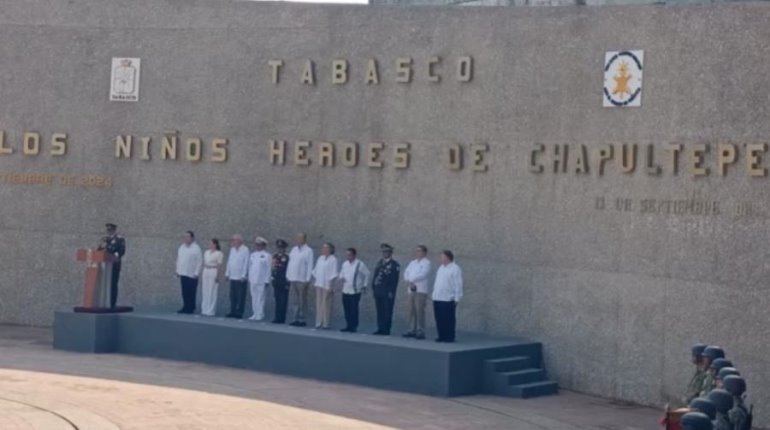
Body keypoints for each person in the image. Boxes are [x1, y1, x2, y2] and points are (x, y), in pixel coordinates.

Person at [432, 250, 463, 343]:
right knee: (439, 318)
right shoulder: (441, 268)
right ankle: (441, 335)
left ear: (448, 257)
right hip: (437, 297)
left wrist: (457, 298)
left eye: (442, 257)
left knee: (448, 319)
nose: (441, 259)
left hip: (448, 298)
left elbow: (458, 284)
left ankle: (449, 336)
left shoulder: (455, 268)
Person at [402, 245, 432, 340]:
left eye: (419, 251)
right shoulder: (412, 262)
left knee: (419, 310)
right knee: (411, 310)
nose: (417, 253)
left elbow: (423, 274)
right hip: (411, 288)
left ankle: (420, 330)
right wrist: (408, 281)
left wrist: (412, 280)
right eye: (416, 251)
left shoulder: (427, 263)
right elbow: (406, 272)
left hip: (420, 290)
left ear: (424, 252)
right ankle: (411, 330)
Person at [371, 243, 400, 335]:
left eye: (387, 252)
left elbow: (394, 280)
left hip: (387, 292)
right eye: (383, 252)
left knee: (387, 311)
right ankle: (380, 328)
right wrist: (374, 288)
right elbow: (375, 276)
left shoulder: (394, 265)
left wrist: (391, 291)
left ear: (391, 253)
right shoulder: (379, 263)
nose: (385, 253)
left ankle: (386, 329)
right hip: (378, 291)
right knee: (380, 311)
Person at [339, 248, 370, 333]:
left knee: (354, 309)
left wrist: (364, 285)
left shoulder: (360, 264)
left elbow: (367, 274)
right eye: (347, 255)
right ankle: (348, 325)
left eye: (349, 255)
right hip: (345, 289)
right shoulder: (345, 264)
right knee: (347, 309)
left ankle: (354, 326)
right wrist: (341, 278)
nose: (348, 257)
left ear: (354, 255)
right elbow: (341, 273)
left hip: (355, 290)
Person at [287, 233, 314, 327]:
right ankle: (295, 318)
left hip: (302, 279)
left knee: (302, 300)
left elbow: (310, 265)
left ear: (304, 239)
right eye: (297, 238)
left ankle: (302, 319)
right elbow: (290, 263)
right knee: (295, 300)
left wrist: (308, 279)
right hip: (293, 278)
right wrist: (288, 275)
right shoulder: (294, 249)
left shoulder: (308, 251)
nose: (298, 240)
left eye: (300, 238)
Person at [98, 223, 126, 308]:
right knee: (103, 284)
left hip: (114, 265)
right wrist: (101, 247)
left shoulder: (119, 240)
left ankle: (112, 303)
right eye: (108, 230)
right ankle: (102, 302)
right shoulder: (104, 239)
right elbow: (99, 251)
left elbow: (121, 252)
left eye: (110, 230)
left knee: (113, 284)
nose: (109, 231)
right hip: (104, 266)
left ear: (114, 230)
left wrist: (114, 256)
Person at [311, 242, 338, 329]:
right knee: (319, 303)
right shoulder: (320, 258)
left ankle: (326, 323)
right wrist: (315, 281)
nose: (324, 249)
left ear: (330, 249)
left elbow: (334, 273)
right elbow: (315, 271)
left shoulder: (333, 259)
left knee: (326, 304)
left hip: (327, 285)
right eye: (323, 248)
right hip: (319, 283)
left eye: (326, 248)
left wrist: (331, 285)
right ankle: (318, 322)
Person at [175, 231, 203, 314]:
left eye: (187, 237)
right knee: (184, 291)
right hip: (183, 272)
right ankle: (185, 306)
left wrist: (196, 273)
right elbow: (178, 259)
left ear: (192, 238)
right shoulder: (181, 247)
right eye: (184, 237)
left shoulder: (196, 248)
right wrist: (177, 270)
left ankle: (191, 308)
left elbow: (199, 261)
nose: (185, 238)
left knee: (191, 291)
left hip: (192, 274)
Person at [224, 234, 250, 319]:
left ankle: (239, 312)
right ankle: (233, 311)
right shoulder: (232, 250)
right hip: (233, 276)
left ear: (239, 241)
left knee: (240, 296)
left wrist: (244, 275)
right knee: (233, 296)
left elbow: (246, 263)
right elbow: (229, 262)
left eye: (234, 240)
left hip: (240, 277)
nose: (232, 241)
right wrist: (227, 273)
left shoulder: (245, 249)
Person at [248, 237, 271, 321]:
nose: (257, 246)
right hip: (253, 279)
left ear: (263, 245)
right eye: (256, 244)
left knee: (260, 297)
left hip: (261, 279)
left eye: (259, 245)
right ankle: (255, 313)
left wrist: (267, 280)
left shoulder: (267, 255)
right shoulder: (253, 255)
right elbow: (250, 267)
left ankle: (260, 314)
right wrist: (249, 277)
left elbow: (268, 269)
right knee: (253, 297)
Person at [200, 239, 224, 316]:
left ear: (215, 244)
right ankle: (204, 309)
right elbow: (204, 262)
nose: (210, 245)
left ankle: (211, 311)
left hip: (213, 270)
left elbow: (219, 265)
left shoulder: (219, 253)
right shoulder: (206, 252)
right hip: (206, 270)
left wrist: (218, 275)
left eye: (211, 243)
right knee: (205, 290)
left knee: (212, 291)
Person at [271, 239, 290, 324]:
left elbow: (288, 269)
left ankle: (282, 318)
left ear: (284, 248)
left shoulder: (287, 257)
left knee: (283, 300)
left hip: (284, 280)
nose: (280, 249)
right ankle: (277, 317)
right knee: (277, 299)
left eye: (281, 248)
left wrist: (288, 281)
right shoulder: (275, 256)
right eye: (279, 248)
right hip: (276, 280)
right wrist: (272, 277)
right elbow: (273, 268)